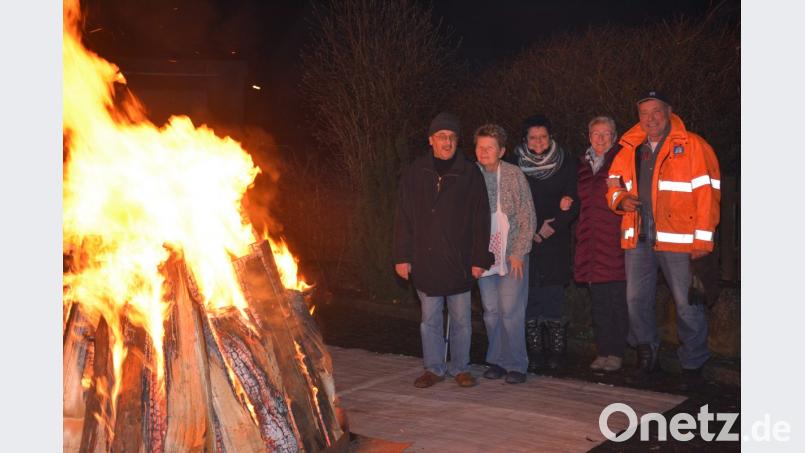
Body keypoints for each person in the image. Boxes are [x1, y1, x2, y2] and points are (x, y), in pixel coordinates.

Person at [606, 91, 721, 382]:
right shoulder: (630, 148)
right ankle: (647, 356)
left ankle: (693, 364)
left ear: (669, 111)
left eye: (656, 112)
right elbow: (613, 184)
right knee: (635, 300)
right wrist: (620, 201)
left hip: (680, 241)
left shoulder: (692, 145)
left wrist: (703, 241)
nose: (650, 119)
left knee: (687, 304)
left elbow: (708, 195)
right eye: (644, 113)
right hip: (639, 239)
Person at [393, 111, 493, 389]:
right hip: (425, 260)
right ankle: (434, 368)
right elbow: (403, 216)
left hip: (460, 261)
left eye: (452, 137)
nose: (447, 142)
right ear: (431, 140)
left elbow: (481, 218)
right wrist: (402, 256)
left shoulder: (469, 173)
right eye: (441, 136)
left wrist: (479, 259)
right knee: (430, 320)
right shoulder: (416, 173)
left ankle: (461, 368)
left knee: (462, 320)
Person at [509, 113, 579, 373]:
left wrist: (553, 225)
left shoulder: (566, 161)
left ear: (551, 137)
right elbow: (512, 200)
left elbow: (573, 200)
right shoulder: (514, 162)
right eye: (533, 137)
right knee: (530, 296)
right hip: (524, 239)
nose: (538, 141)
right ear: (525, 139)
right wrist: (529, 230)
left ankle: (557, 352)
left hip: (554, 238)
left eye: (543, 136)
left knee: (553, 296)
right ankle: (535, 352)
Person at [474, 124, 537, 384]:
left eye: (490, 147)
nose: (484, 152)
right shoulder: (470, 175)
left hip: (511, 252)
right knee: (491, 310)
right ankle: (497, 361)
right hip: (482, 254)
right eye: (480, 147)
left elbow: (527, 215)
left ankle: (516, 364)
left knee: (511, 309)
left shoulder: (513, 175)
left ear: (501, 150)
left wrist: (519, 251)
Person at [573, 116, 628, 372]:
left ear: (614, 136)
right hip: (591, 243)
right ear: (589, 136)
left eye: (606, 133)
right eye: (596, 133)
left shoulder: (623, 161)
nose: (601, 138)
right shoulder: (583, 165)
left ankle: (616, 352)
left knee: (617, 300)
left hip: (615, 241)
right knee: (599, 303)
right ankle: (603, 350)